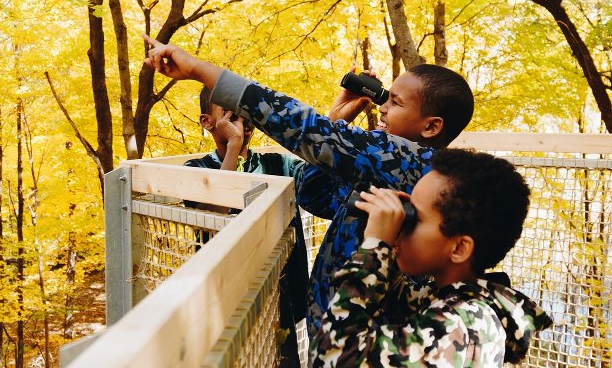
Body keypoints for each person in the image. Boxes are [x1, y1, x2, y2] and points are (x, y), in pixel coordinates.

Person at [139, 34, 475, 343]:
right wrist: (338, 121)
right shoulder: (388, 171)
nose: (382, 107)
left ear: (431, 127)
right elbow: (315, 195)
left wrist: (199, 69)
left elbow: (304, 128)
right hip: (336, 337)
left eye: (396, 103)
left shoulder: (410, 162)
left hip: (362, 345)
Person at [315, 148, 552, 366]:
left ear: (459, 249)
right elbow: (396, 298)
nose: (402, 224)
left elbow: (334, 357)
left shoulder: (463, 324)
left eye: (414, 218)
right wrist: (385, 233)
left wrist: (376, 246)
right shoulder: (457, 299)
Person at [184, 86, 308, 368]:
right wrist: (233, 147)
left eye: (247, 111)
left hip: (278, 299)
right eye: (231, 113)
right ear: (207, 121)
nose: (243, 120)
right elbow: (212, 212)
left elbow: (317, 172)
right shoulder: (197, 169)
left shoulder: (277, 164)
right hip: (224, 302)